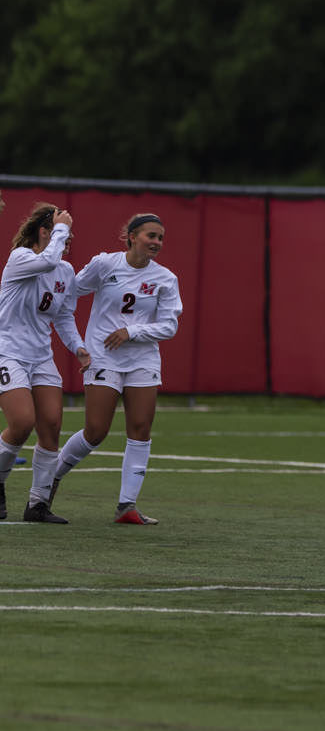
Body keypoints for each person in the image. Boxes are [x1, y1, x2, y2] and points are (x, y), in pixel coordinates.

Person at [47, 214, 182, 524]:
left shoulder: (165, 278)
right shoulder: (105, 264)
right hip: (104, 357)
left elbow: (169, 326)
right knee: (96, 430)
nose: (157, 243)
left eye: (160, 238)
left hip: (143, 360)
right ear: (132, 237)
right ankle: (50, 478)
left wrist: (131, 332)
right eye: (151, 236)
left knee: (140, 429)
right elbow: (70, 292)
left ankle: (127, 506)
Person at [0, 204, 83, 521]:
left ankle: (38, 505)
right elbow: (47, 260)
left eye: (69, 232)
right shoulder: (21, 258)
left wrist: (79, 347)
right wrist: (60, 226)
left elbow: (63, 316)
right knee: (21, 423)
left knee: (50, 425)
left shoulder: (65, 271)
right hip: (8, 351)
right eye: (61, 230)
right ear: (44, 231)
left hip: (41, 357)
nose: (67, 237)